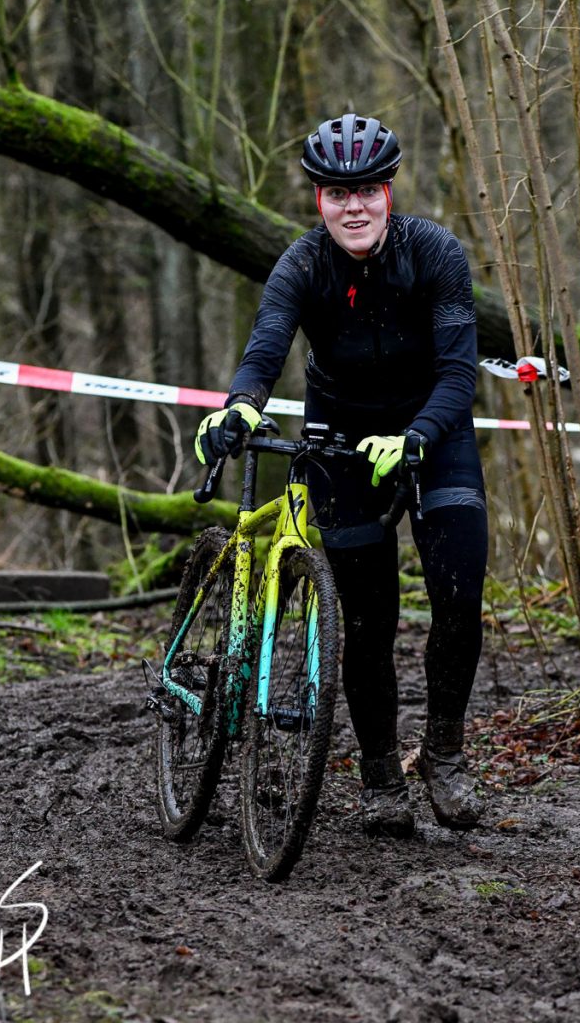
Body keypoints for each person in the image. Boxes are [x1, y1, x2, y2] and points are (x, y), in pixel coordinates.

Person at [195, 113, 488, 837]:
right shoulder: (300, 265)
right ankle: (381, 776)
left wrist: (416, 434)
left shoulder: (435, 252)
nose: (352, 207)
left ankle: (444, 755)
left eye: (365, 191)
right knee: (366, 619)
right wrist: (237, 406)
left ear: (388, 191)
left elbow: (458, 372)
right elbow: (266, 348)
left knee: (458, 596)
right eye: (335, 193)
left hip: (431, 430)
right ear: (318, 200)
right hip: (341, 438)